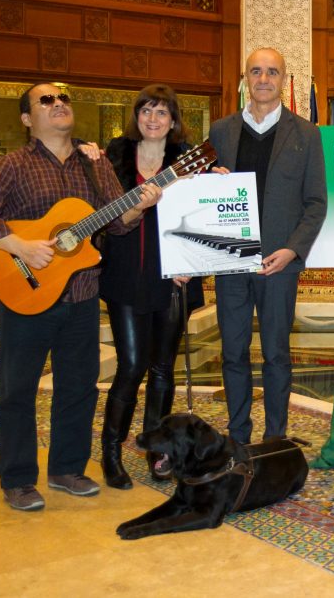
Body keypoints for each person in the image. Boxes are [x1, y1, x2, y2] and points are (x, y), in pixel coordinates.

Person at [0, 83, 161, 511]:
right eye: (45, 100)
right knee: (19, 390)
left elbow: (117, 221)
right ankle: (17, 479)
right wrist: (19, 246)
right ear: (28, 120)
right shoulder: (12, 165)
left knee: (80, 386)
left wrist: (141, 204)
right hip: (24, 292)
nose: (58, 104)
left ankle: (67, 468)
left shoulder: (93, 164)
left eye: (63, 98)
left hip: (82, 294)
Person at [210, 48, 327, 444]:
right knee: (232, 354)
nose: (263, 79)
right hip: (230, 263)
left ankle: (276, 438)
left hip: (280, 264)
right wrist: (210, 182)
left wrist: (292, 250)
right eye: (256, 71)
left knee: (276, 355)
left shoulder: (307, 134)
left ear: (284, 80)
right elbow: (199, 194)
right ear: (244, 79)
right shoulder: (220, 132)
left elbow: (316, 203)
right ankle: (238, 436)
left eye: (272, 72)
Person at [97, 84, 205, 489]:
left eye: (162, 113)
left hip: (172, 276)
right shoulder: (113, 155)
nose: (153, 119)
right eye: (146, 111)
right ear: (136, 116)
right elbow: (99, 210)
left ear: (173, 121)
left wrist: (218, 183)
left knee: (162, 369)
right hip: (125, 275)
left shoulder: (190, 161)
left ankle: (157, 453)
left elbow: (207, 216)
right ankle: (111, 451)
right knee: (131, 366)